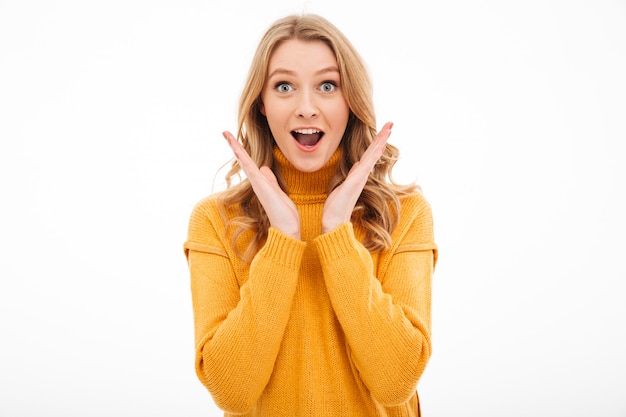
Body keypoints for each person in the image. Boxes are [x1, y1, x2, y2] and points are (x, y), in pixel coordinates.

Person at [184, 13, 437, 416]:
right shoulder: (215, 221)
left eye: (327, 85)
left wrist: (336, 234)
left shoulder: (404, 214)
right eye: (284, 86)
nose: (306, 108)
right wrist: (284, 238)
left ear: (350, 100)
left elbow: (396, 381)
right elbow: (230, 390)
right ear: (262, 105)